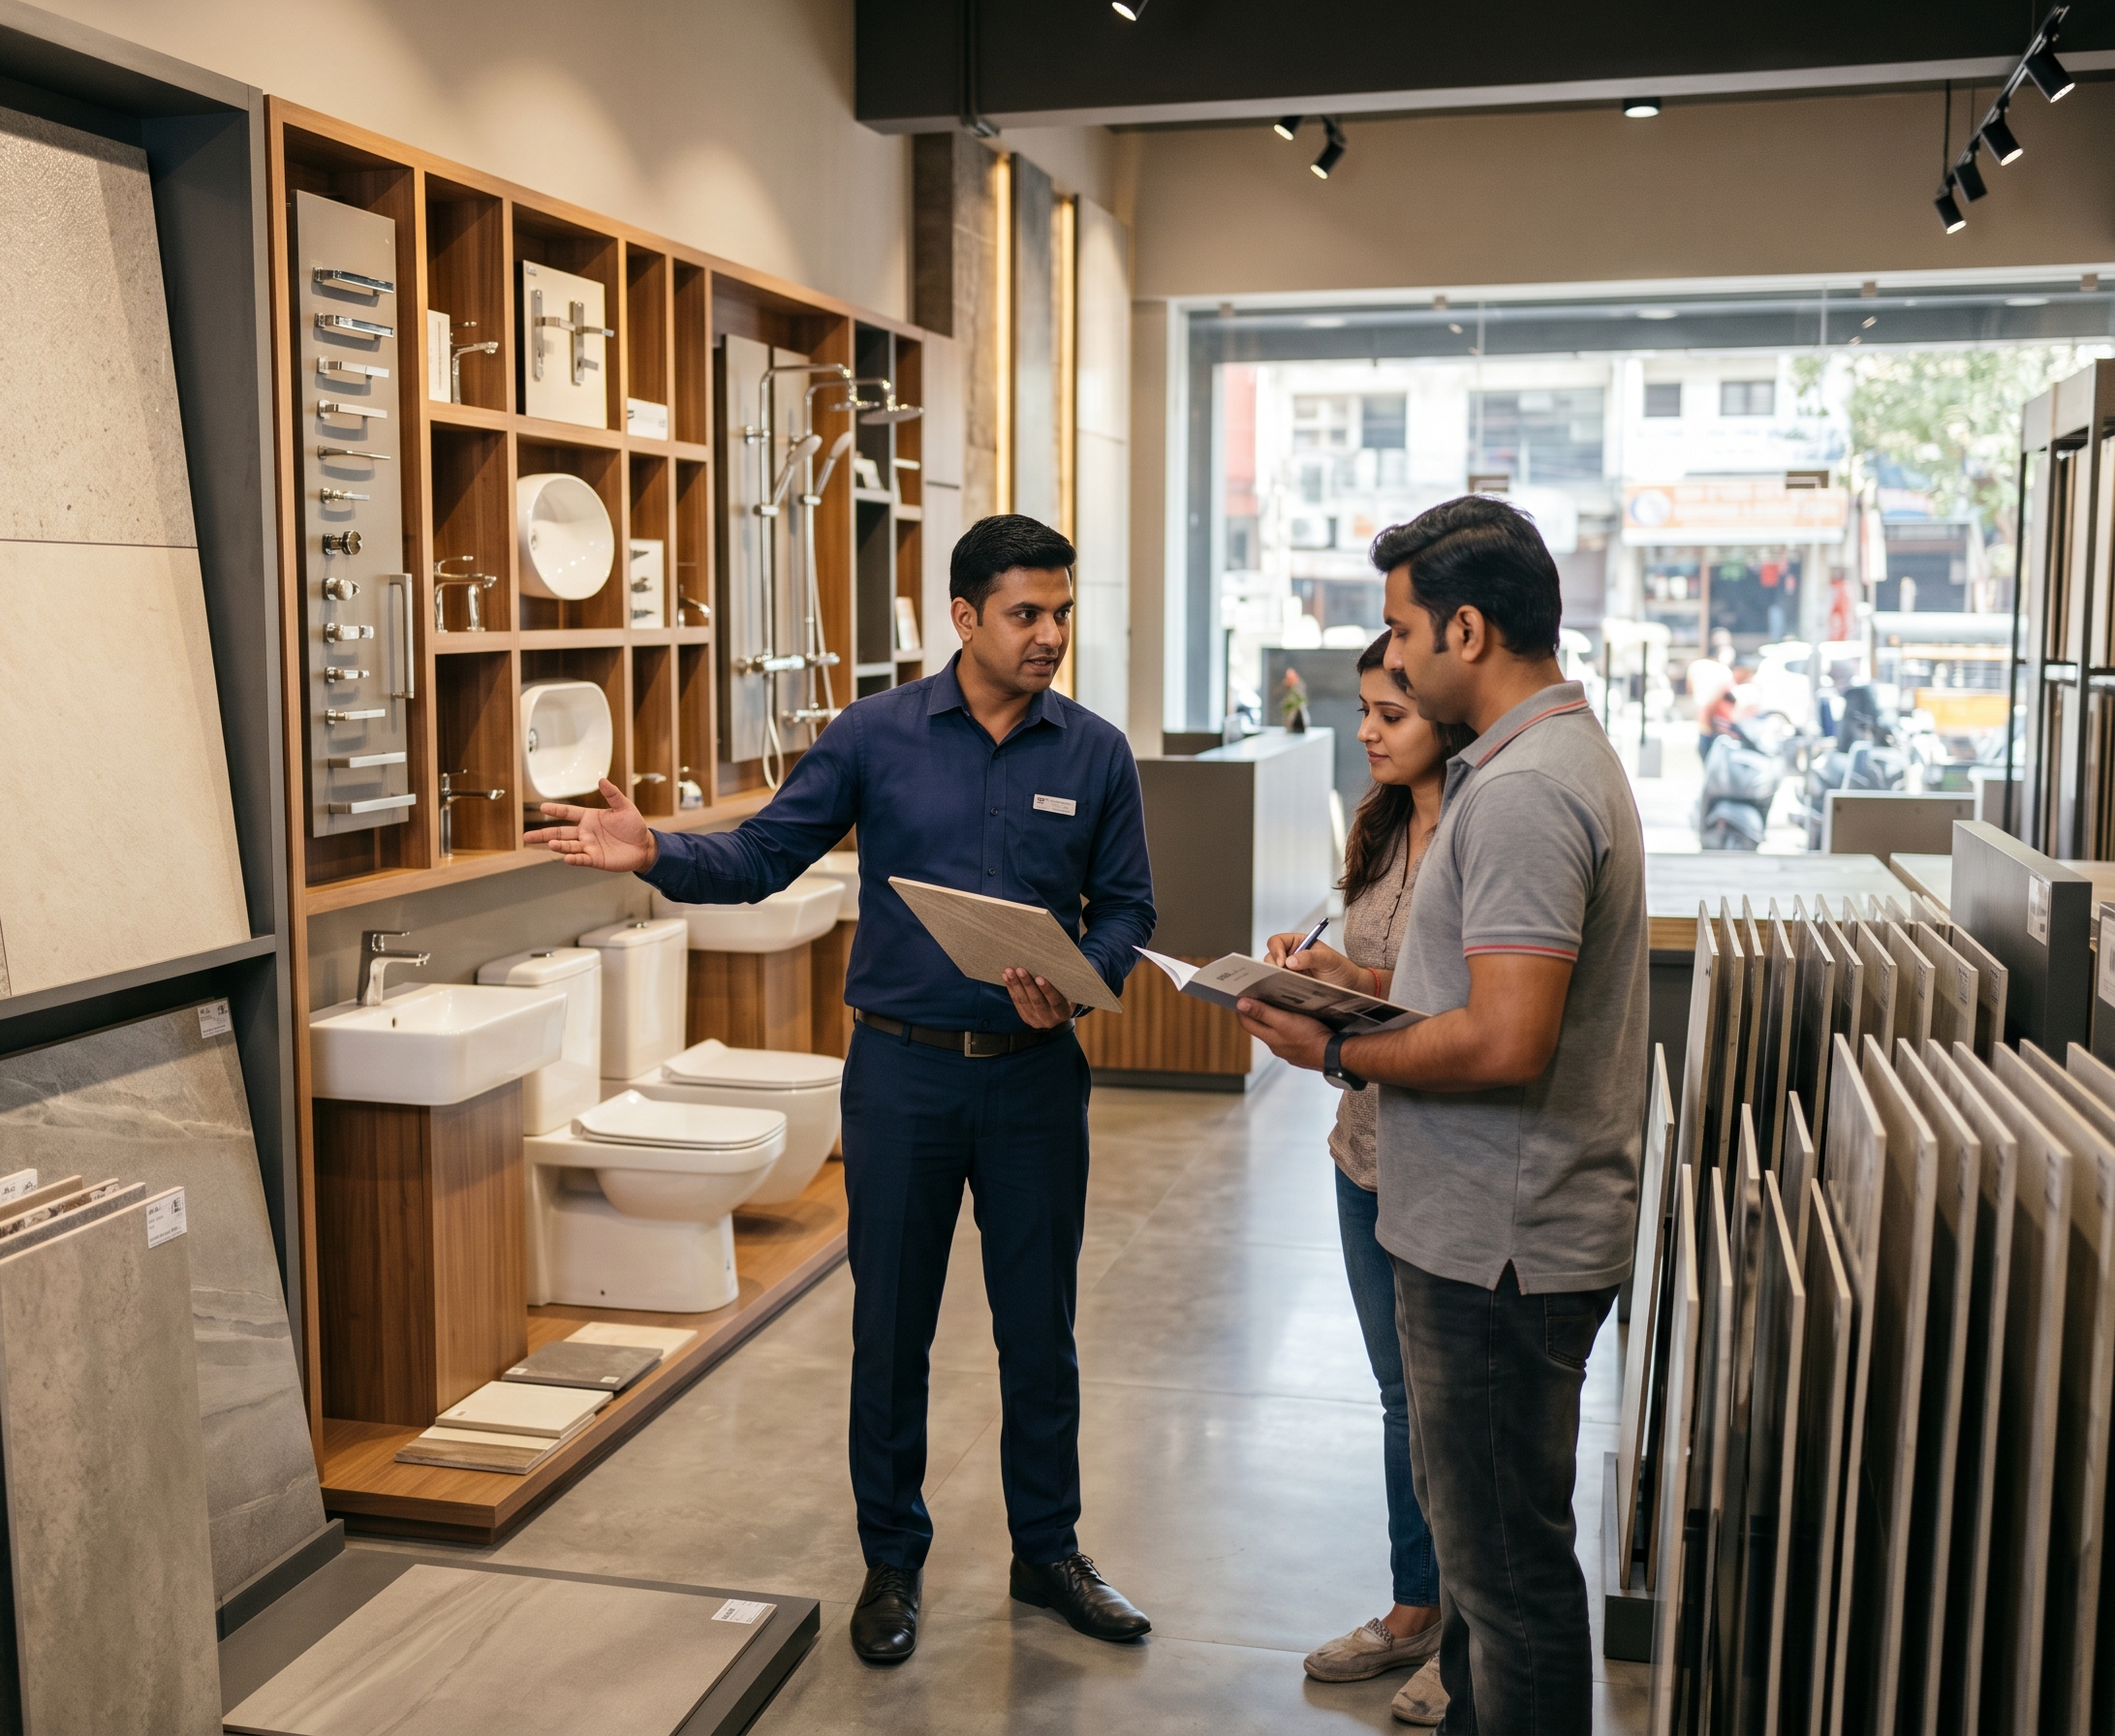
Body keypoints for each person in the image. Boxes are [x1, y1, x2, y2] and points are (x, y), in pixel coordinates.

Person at [524, 513, 1157, 1665]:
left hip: (1032, 1082)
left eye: (1062, 612)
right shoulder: (875, 735)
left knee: (1039, 1330)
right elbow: (765, 855)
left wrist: (1083, 981)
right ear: (964, 617)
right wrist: (654, 848)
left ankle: (1049, 1549)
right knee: (891, 1330)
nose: (1051, 635)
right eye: (1027, 613)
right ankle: (893, 1562)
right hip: (902, 1077)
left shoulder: (1095, 752)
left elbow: (1125, 910)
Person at [1236, 495, 1646, 1735]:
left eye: (1403, 629)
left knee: (1508, 1587)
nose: (1393, 656)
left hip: (1500, 1247)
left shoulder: (1523, 790)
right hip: (1496, 1229)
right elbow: (1484, 992)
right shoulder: (1533, 763)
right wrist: (1363, 991)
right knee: (1492, 1577)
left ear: (1467, 628)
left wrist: (1337, 1050)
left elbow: (1510, 1038)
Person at [1274, 634, 1474, 1727]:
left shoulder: (1490, 825)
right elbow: (1388, 976)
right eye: (1363, 711)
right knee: (1402, 1395)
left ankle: (1470, 1634)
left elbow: (1474, 1004)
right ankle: (1416, 1606)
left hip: (1451, 1156)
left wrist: (1357, 994)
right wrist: (1324, 976)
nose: (1367, 731)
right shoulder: (1385, 824)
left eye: (1390, 713)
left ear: (1447, 705)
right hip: (1367, 1149)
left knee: (1454, 1407)